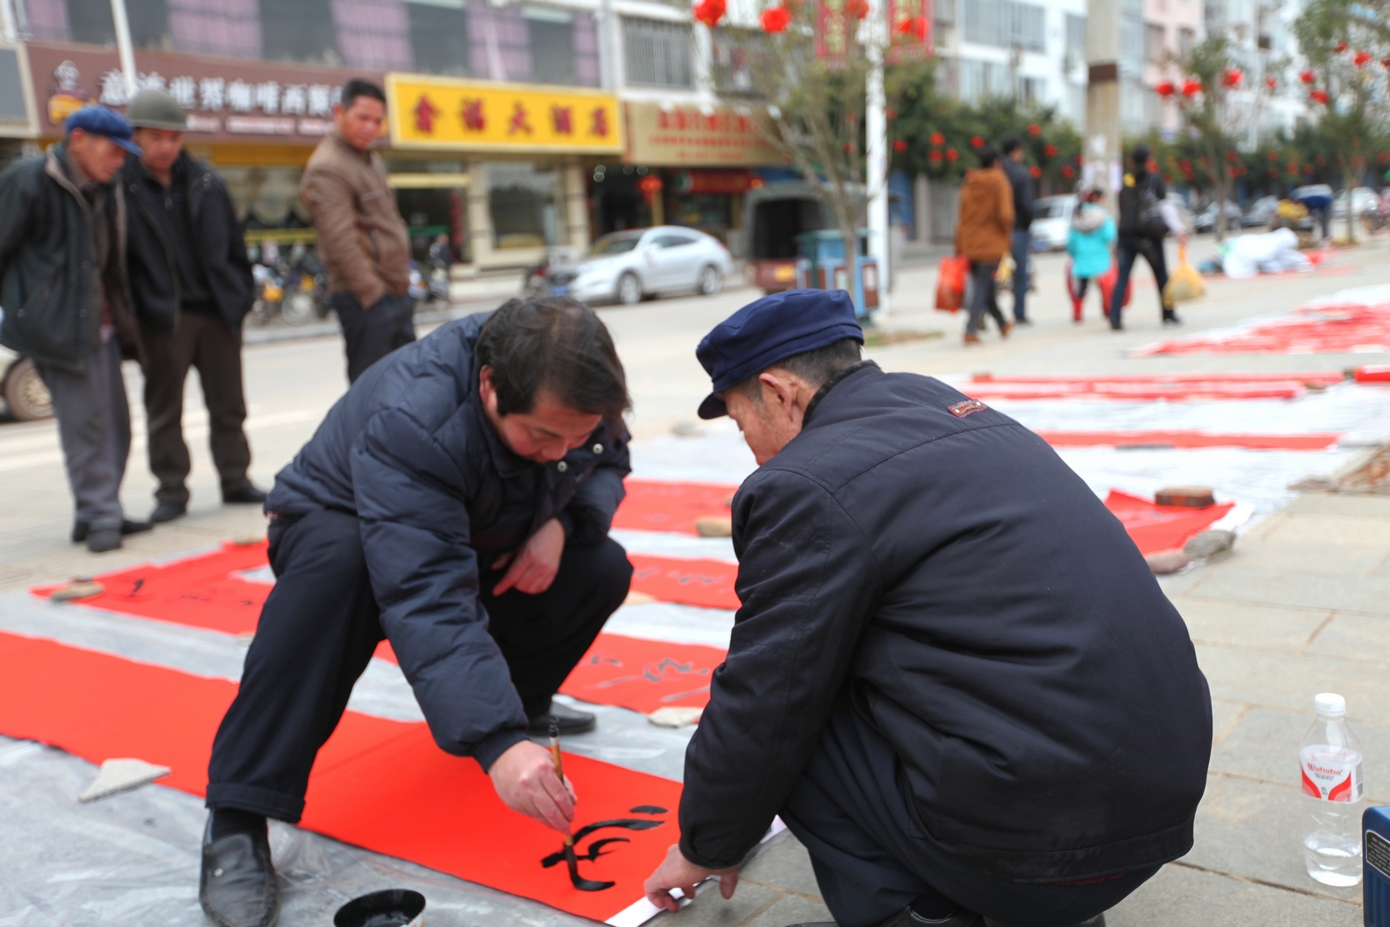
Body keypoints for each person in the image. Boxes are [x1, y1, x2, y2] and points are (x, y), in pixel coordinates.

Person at [643, 288, 1213, 927]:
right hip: (1155, 809)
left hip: (1044, 845)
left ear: (779, 393)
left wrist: (705, 844)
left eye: (741, 421)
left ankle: (921, 914)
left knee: (795, 704)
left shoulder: (803, 483)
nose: (747, 445)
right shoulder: (947, 405)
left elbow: (765, 696)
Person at [199, 297, 632, 927]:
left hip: (481, 523)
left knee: (599, 568)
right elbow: (427, 589)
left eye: (577, 435)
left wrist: (563, 522)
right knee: (342, 571)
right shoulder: (416, 417)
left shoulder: (577, 393)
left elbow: (607, 463)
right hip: (336, 518)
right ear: (489, 387)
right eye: (542, 436)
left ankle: (518, 698)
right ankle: (237, 817)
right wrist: (496, 742)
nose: (561, 448)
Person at [0, 106, 152, 553]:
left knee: (116, 427)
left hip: (100, 323)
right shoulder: (30, 178)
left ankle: (98, 512)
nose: (120, 161)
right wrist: (27, 307)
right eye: (113, 150)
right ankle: (100, 515)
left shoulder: (104, 187)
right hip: (57, 326)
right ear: (79, 139)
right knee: (84, 427)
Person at [121, 88, 265, 523]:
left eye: (173, 137)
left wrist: (240, 297)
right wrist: (138, 313)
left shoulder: (205, 181)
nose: (166, 146)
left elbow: (236, 246)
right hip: (163, 316)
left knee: (229, 403)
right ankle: (171, 490)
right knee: (164, 409)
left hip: (218, 310)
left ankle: (235, 477)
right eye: (156, 137)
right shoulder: (122, 187)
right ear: (136, 137)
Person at [300, 79, 413, 383]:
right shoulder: (328, 167)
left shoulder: (370, 159)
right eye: (363, 118)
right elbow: (341, 242)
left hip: (395, 291)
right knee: (372, 393)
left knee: (406, 388)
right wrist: (373, 296)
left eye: (378, 121)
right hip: (366, 298)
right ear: (339, 112)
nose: (371, 127)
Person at [1111, 145, 1186, 331]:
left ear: (1131, 162)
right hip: (1149, 237)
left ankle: (1115, 317)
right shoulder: (1154, 179)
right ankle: (1168, 312)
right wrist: (1179, 231)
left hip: (1125, 236)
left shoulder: (1124, 182)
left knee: (1122, 277)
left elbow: (1122, 208)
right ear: (1148, 160)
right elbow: (1165, 208)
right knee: (1161, 275)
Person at [954, 146, 1014, 345]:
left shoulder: (970, 183)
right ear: (996, 162)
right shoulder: (1000, 183)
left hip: (970, 242)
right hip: (991, 243)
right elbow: (1005, 216)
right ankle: (970, 329)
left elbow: (962, 215)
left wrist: (959, 243)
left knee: (985, 285)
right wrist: (1008, 235)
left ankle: (1002, 322)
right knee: (983, 285)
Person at [1065, 188, 1116, 323]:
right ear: (1098, 199)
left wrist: (1073, 253)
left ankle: (1077, 312)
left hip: (1081, 257)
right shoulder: (1104, 216)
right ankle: (1107, 309)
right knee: (1104, 286)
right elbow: (1110, 236)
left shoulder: (1078, 215)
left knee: (1081, 287)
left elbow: (1071, 240)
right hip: (1101, 257)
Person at [1000, 136, 1035, 325]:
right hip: (1018, 229)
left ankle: (983, 309)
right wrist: (1027, 224)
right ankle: (1019, 313)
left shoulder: (995, 172)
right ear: (1015, 150)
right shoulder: (1021, 174)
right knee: (1020, 273)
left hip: (996, 229)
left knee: (990, 272)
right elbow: (1027, 205)